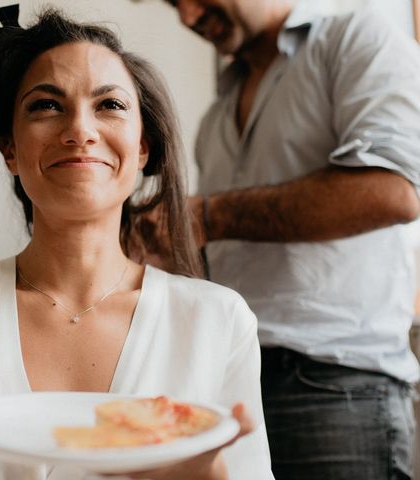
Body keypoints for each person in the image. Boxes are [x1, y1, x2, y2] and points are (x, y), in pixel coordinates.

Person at [0, 7, 275, 480]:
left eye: (111, 105)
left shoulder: (217, 321)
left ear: (143, 148)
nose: (80, 130)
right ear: (11, 150)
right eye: (46, 105)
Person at [148, 0, 420, 478]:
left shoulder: (357, 38)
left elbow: (394, 191)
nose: (189, 17)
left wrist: (207, 215)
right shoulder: (216, 116)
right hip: (234, 384)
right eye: (173, 5)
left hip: (337, 387)